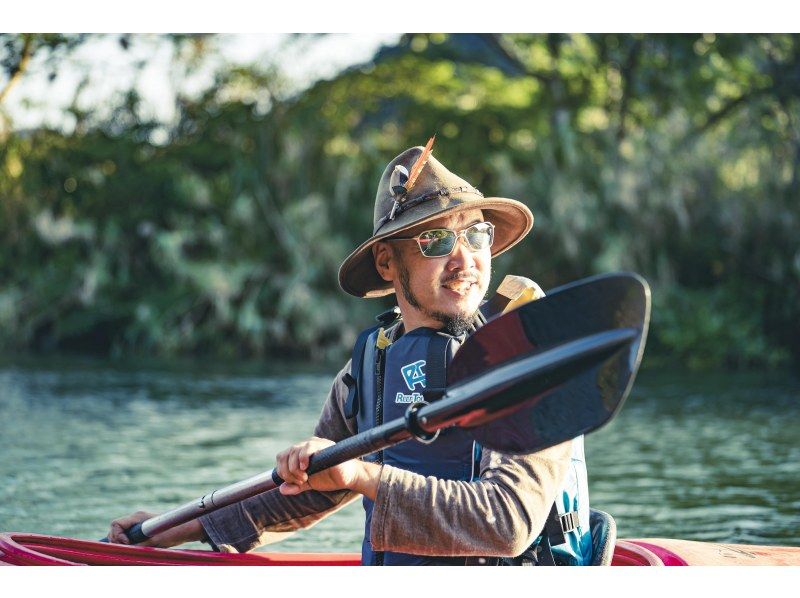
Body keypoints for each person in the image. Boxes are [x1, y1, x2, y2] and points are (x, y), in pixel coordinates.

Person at [107, 142, 593, 565]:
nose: (464, 259)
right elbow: (310, 490)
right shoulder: (370, 369)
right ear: (387, 262)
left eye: (476, 234)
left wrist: (362, 475)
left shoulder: (530, 358)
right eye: (436, 240)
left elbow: (507, 521)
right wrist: (178, 528)